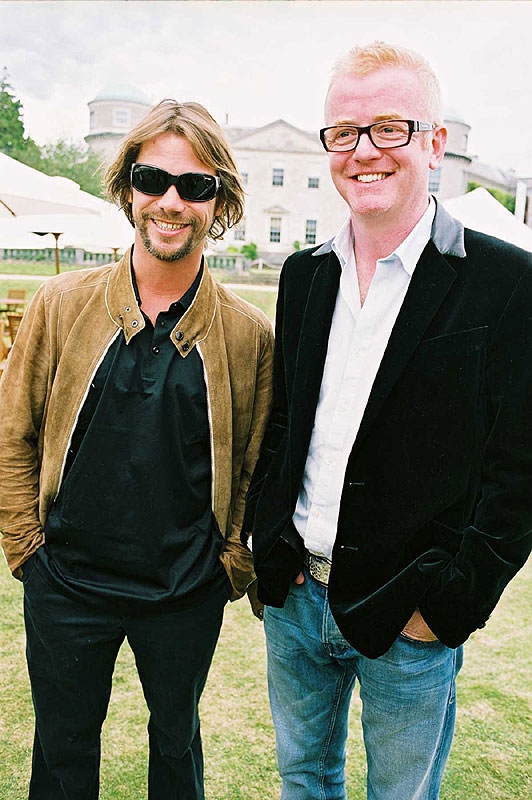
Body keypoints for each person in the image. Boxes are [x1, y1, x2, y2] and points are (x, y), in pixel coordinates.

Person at [243, 42, 532, 800]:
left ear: (435, 143)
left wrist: (445, 605)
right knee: (303, 779)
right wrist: (267, 542)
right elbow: (285, 424)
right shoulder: (305, 274)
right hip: (296, 596)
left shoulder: (506, 283)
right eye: (345, 132)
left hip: (412, 613)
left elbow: (518, 473)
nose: (364, 151)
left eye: (390, 128)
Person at [0, 99, 273, 800]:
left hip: (184, 592)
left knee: (176, 749)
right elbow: (13, 432)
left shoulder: (249, 336)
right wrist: (27, 546)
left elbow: (253, 464)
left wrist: (229, 561)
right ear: (128, 188)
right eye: (153, 179)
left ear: (221, 202)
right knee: (60, 754)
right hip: (66, 583)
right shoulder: (61, 304)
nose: (171, 201)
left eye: (196, 185)